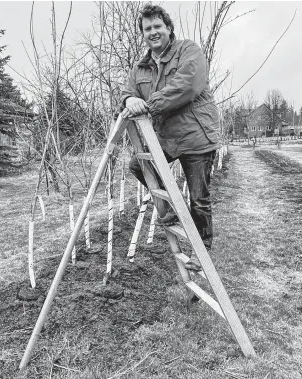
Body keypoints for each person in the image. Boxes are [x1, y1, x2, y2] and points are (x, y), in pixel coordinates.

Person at [120, 5, 220, 271]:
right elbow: (127, 92)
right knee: (138, 166)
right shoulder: (141, 68)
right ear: (142, 34)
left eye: (157, 27)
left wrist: (148, 104)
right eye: (147, 28)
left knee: (199, 198)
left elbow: (188, 85)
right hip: (166, 137)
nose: (153, 32)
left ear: (168, 28)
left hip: (197, 135)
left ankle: (203, 250)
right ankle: (172, 210)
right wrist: (130, 99)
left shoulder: (189, 50)